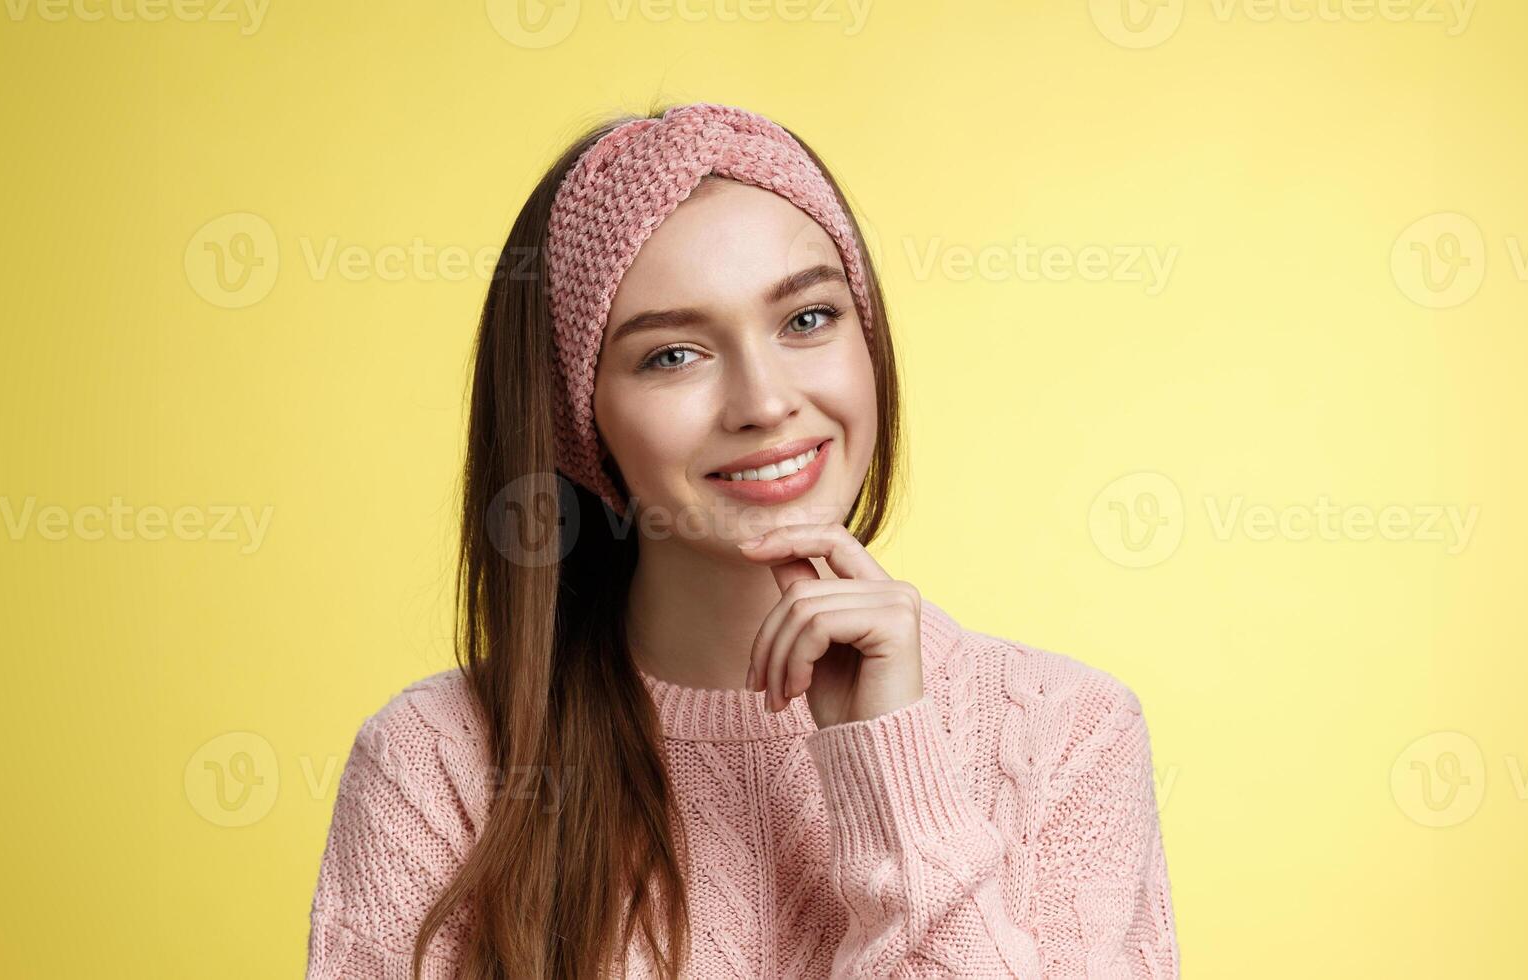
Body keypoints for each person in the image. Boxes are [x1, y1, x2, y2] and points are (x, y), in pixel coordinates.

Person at [305, 102, 1178, 979]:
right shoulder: (437, 763)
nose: (764, 402)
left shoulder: (1068, 735)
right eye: (673, 355)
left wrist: (894, 773)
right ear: (580, 420)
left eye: (807, 320)